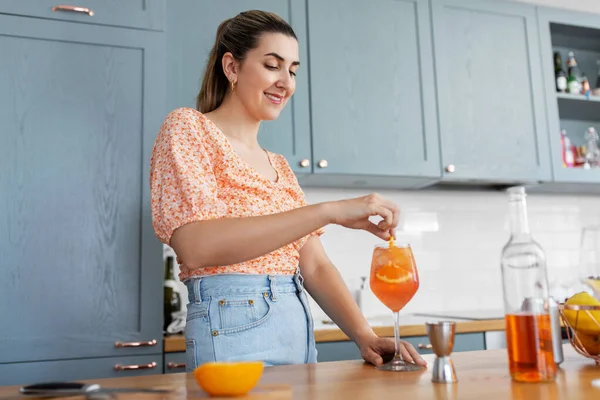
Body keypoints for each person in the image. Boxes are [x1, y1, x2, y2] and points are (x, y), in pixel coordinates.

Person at [150, 10, 426, 370]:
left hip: (296, 328)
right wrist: (328, 211)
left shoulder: (279, 166)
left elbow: (314, 265)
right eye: (272, 65)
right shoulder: (189, 129)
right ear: (231, 67)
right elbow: (196, 246)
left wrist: (365, 335)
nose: (286, 82)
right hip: (232, 328)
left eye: (293, 70)